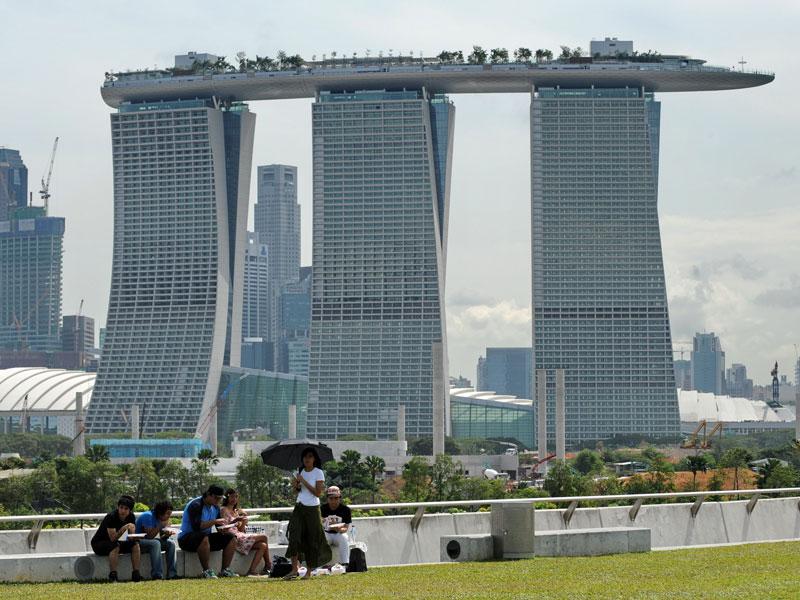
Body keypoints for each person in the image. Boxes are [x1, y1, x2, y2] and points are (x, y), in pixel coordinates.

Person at [283, 447, 332, 579]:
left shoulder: (318, 472)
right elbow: (296, 491)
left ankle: (309, 572)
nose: (307, 459)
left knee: (312, 539)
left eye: (310, 456)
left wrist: (303, 480)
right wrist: (296, 485)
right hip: (299, 507)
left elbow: (318, 493)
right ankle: (294, 569)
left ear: (314, 458)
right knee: (294, 536)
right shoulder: (300, 471)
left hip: (312, 509)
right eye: (305, 456)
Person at [177, 484, 238, 578]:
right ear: (209, 495)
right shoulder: (196, 505)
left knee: (231, 537)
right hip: (186, 539)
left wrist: (225, 528)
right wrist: (214, 521)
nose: (218, 501)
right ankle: (206, 571)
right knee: (203, 536)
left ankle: (225, 570)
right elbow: (197, 527)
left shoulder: (216, 507)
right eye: (216, 498)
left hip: (204, 539)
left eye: (220, 499)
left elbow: (219, 527)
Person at [90, 494, 142, 582]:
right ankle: (113, 575)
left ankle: (136, 574)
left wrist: (135, 537)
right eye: (121, 507)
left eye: (126, 509)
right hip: (99, 543)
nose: (123, 511)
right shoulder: (111, 517)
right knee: (115, 546)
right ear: (118, 507)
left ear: (130, 510)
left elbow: (130, 537)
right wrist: (124, 528)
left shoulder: (131, 517)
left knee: (135, 544)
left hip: (118, 541)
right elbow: (113, 538)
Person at [221, 489, 272, 576]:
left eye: (236, 497)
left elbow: (240, 530)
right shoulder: (223, 510)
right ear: (227, 498)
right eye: (232, 496)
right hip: (233, 537)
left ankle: (251, 571)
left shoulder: (236, 511)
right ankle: (268, 565)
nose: (234, 499)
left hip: (240, 535)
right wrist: (235, 520)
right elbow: (224, 527)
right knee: (264, 537)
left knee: (262, 545)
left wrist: (244, 522)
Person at [135, 500, 178, 580]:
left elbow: (161, 537)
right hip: (138, 543)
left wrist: (167, 535)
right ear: (161, 512)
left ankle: (172, 574)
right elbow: (149, 536)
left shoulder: (160, 519)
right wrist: (160, 525)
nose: (169, 516)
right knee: (156, 543)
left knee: (171, 543)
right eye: (168, 513)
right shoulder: (148, 516)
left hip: (151, 542)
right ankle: (157, 575)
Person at [320, 485, 352, 567]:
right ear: (327, 498)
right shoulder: (322, 509)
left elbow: (345, 528)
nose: (333, 500)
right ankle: (321, 564)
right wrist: (324, 523)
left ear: (340, 498)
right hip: (327, 533)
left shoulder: (346, 510)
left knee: (344, 537)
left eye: (336, 498)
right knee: (321, 538)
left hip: (338, 534)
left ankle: (345, 563)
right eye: (331, 498)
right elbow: (319, 526)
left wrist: (338, 529)